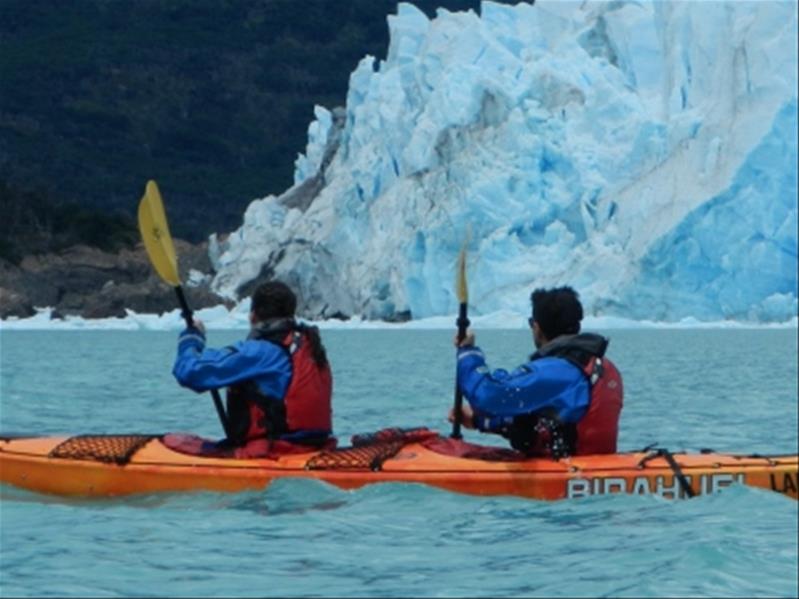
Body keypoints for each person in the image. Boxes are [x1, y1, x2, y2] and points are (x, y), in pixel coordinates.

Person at [449, 286, 623, 458]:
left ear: (537, 327)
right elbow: (533, 421)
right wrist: (478, 421)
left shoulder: (558, 372)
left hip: (566, 472)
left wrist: (468, 353)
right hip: (592, 468)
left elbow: (487, 397)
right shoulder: (602, 366)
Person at [172, 280, 334, 457]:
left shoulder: (260, 353)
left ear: (253, 316)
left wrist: (191, 339)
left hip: (274, 451)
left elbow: (189, 372)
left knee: (171, 442)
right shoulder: (311, 348)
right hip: (314, 448)